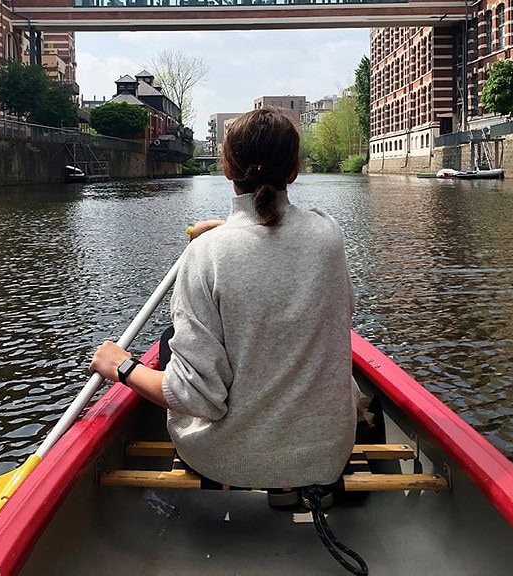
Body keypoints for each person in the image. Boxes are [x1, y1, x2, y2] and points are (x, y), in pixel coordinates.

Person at [89, 108, 357, 490]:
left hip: (231, 461)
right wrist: (229, 231)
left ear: (226, 169)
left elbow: (196, 398)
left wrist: (122, 367)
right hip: (327, 455)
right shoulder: (328, 234)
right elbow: (341, 310)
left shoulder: (207, 254)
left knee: (169, 342)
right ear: (294, 172)